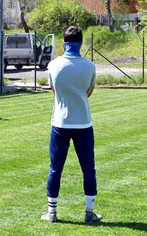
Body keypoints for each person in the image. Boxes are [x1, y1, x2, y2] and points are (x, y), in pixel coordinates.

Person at [41, 26, 102, 223]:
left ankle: (52, 213)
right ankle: (89, 212)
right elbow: (88, 92)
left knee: (55, 168)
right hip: (83, 123)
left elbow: (54, 91)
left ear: (64, 43)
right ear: (81, 43)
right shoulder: (90, 66)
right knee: (88, 168)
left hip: (60, 123)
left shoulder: (53, 65)